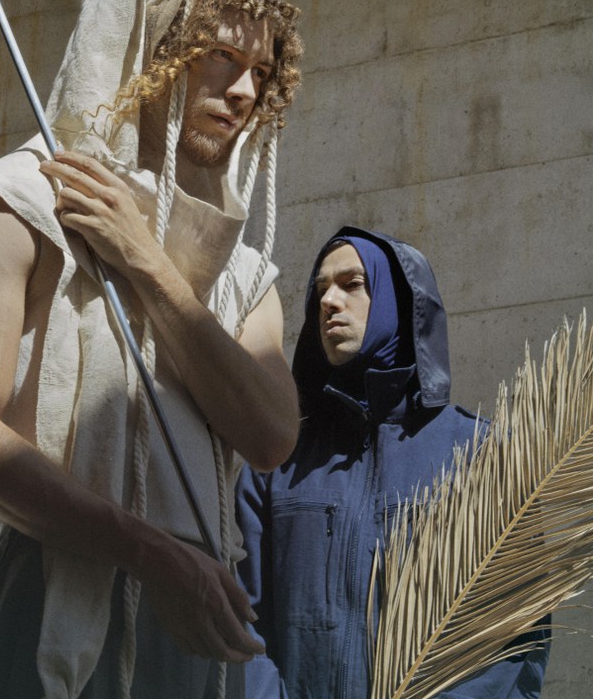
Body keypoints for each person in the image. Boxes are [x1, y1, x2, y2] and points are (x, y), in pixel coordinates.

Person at [0, 0, 303, 699]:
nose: (243, 93)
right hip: (55, 602)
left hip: (197, 622)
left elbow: (271, 436)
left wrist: (145, 261)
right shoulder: (19, 200)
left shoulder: (239, 272)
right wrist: (150, 555)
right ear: (150, 46)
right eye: (220, 57)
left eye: (260, 73)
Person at [236, 226, 550, 699]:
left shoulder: (480, 454)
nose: (328, 301)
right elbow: (238, 618)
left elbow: (515, 636)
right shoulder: (278, 461)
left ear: (398, 302)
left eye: (351, 284)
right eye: (321, 290)